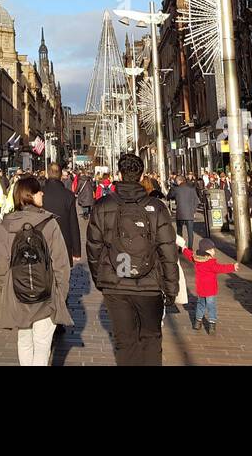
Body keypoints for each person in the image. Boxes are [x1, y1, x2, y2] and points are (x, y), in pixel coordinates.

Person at [85, 152, 179, 366]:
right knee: (151, 339)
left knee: (124, 342)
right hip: (150, 285)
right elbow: (168, 251)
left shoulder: (102, 206)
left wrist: (100, 279)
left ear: (120, 173)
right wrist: (171, 287)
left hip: (115, 284)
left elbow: (93, 248)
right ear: (141, 175)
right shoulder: (156, 208)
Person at [0, 175, 72, 365]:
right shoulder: (49, 223)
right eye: (38, 191)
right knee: (43, 343)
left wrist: (6, 289)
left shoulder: (6, 225)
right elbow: (61, 263)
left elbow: (0, 264)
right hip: (46, 292)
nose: (42, 193)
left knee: (24, 340)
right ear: (30, 195)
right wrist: (61, 292)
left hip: (17, 291)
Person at [184, 238, 237, 334]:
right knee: (211, 306)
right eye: (212, 249)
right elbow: (221, 268)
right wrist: (233, 267)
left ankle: (197, 322)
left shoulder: (197, 259)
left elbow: (189, 255)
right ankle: (212, 324)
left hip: (200, 289)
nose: (214, 251)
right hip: (210, 290)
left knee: (201, 305)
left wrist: (183, 248)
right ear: (206, 252)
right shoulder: (210, 263)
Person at [40, 163, 82, 260]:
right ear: (60, 176)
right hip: (63, 242)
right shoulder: (68, 195)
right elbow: (73, 224)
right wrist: (76, 251)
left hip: (43, 241)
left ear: (47, 174)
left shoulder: (39, 193)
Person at [171, 175, 202, 249]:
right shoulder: (191, 189)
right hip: (189, 213)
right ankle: (190, 248)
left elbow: (170, 196)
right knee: (190, 232)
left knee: (179, 232)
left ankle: (181, 247)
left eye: (177, 181)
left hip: (180, 213)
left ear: (179, 181)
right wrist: (193, 211)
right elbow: (196, 201)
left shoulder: (176, 189)